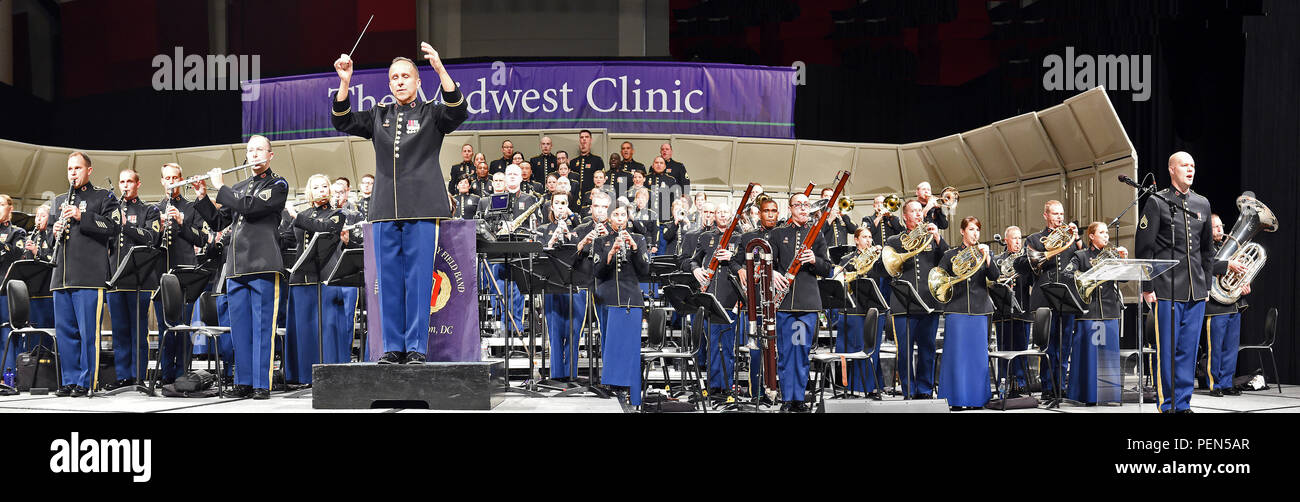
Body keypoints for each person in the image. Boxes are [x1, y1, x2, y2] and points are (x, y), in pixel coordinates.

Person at [332, 43, 468, 365]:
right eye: (394, 77)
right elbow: (343, 121)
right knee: (388, 283)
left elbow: (458, 111)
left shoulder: (431, 113)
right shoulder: (379, 115)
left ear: (418, 82)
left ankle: (417, 348)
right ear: (390, 83)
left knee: (419, 281)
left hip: (423, 209)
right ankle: (393, 347)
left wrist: (440, 70)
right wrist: (345, 82)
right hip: (383, 211)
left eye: (406, 76)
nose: (400, 81)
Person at [1136, 152, 1240, 413]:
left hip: (1195, 291)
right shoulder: (1157, 201)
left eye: (1193, 165)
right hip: (1166, 289)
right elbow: (1144, 248)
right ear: (1172, 169)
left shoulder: (1202, 203)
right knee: (1168, 352)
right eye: (1184, 165)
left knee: (1188, 352)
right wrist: (1147, 287)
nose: (1190, 169)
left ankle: (1183, 404)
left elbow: (1206, 252)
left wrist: (1205, 287)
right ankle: (1167, 405)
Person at [193, 136, 288, 399]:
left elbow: (252, 206)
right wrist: (203, 197)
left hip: (263, 265)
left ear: (270, 155)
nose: (255, 154)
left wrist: (221, 187)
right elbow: (218, 221)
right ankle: (243, 380)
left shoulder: (277, 184)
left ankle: (261, 383)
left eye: (260, 150)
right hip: (236, 267)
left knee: (261, 329)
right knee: (241, 329)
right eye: (250, 150)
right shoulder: (239, 186)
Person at [51, 152, 120, 397]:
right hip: (60, 277)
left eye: (77, 168)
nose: (73, 173)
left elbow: (113, 227)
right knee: (65, 334)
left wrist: (83, 217)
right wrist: (54, 230)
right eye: (69, 168)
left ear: (89, 170)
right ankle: (69, 380)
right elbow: (51, 242)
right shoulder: (58, 200)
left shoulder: (104, 196)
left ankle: (87, 381)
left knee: (88, 333)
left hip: (89, 277)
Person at [148, 163, 212, 387]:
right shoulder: (154, 209)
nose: (172, 182)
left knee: (183, 326)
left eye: (176, 178)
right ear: (162, 181)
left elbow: (201, 239)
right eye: (168, 178)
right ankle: (165, 375)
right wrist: (159, 227)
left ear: (181, 180)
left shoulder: (192, 207)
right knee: (165, 327)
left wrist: (182, 223)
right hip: (161, 276)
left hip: (185, 275)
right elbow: (149, 243)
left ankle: (182, 372)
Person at [769, 192, 833, 412]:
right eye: (799, 205)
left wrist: (815, 260)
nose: (804, 209)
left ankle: (799, 398)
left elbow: (827, 268)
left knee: (802, 351)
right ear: (790, 208)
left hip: (806, 304)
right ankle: (787, 398)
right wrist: (773, 273)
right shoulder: (778, 233)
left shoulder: (816, 235)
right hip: (785, 304)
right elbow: (766, 262)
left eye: (806, 205)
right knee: (787, 352)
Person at [284, 175, 346, 385]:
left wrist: (295, 216)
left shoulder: (337, 214)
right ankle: (302, 374)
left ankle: (330, 374)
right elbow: (286, 238)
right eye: (316, 187)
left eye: (324, 186)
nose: (321, 190)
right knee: (304, 328)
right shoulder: (301, 214)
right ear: (309, 192)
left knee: (326, 326)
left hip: (326, 277)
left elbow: (324, 227)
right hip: (301, 278)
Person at [1017, 200, 1080, 400]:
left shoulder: (1070, 237)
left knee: (1064, 345)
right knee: (1048, 346)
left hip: (1067, 297)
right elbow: (1024, 264)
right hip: (1044, 297)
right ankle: (1047, 386)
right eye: (1055, 214)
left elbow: (1082, 257)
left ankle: (1060, 385)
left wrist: (1077, 239)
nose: (1060, 217)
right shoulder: (1035, 239)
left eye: (1061, 214)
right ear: (1046, 215)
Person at [885, 200, 947, 399]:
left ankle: (925, 390)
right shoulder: (895, 240)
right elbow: (884, 267)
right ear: (905, 216)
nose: (919, 214)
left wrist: (938, 237)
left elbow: (948, 261)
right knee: (904, 351)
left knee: (927, 349)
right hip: (904, 303)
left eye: (920, 211)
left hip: (930, 301)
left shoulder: (932, 237)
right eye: (914, 211)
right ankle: (908, 390)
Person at [104, 169, 159, 389]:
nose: (125, 185)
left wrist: (126, 225)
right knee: (119, 331)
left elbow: (152, 238)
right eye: (122, 181)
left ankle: (138, 376)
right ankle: (122, 376)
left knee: (139, 331)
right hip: (115, 281)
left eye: (129, 181)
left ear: (138, 184)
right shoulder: (111, 211)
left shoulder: (149, 210)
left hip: (139, 281)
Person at [593, 202, 650, 405]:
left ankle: (630, 389)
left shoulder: (639, 239)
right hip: (607, 298)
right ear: (609, 219)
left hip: (631, 299)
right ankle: (613, 387)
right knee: (610, 345)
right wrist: (609, 255)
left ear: (627, 218)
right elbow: (596, 272)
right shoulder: (600, 241)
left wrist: (633, 248)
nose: (619, 218)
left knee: (630, 347)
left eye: (623, 215)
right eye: (615, 215)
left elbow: (645, 270)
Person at [934, 216, 995, 410]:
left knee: (977, 359)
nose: (975, 233)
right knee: (957, 357)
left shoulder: (984, 252)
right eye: (971, 229)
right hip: (956, 309)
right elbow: (939, 280)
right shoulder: (950, 254)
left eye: (977, 230)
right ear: (962, 232)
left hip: (979, 311)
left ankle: (977, 400)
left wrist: (988, 259)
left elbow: (995, 276)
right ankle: (956, 400)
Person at [1067, 221, 1128, 406]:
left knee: (1108, 356)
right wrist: (1088, 276)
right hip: (1089, 312)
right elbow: (1069, 274)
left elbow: (1124, 278)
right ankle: (1089, 395)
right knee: (1090, 357)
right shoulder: (1080, 255)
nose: (1106, 236)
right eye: (1102, 232)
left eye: (1107, 232)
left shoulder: (1112, 256)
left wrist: (1123, 260)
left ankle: (1109, 395)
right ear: (1091, 236)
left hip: (1110, 310)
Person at [689, 202, 743, 396]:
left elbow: (745, 265)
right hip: (710, 296)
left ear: (730, 216)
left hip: (730, 297)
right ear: (714, 215)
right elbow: (693, 259)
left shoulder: (739, 238)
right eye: (719, 212)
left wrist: (731, 257)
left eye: (725, 212)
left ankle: (727, 385)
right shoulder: (705, 237)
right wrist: (696, 270)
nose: (722, 215)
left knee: (727, 345)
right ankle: (713, 385)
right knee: (712, 343)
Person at [834, 228, 886, 399]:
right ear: (856, 240)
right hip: (853, 309)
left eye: (870, 237)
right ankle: (854, 387)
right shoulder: (846, 259)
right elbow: (839, 279)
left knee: (872, 350)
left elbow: (887, 274)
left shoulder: (879, 260)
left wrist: (880, 257)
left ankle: (872, 386)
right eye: (864, 237)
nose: (869, 240)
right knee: (855, 349)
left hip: (873, 308)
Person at [1204, 213, 1249, 397]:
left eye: (1221, 226)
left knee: (1231, 347)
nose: (1220, 229)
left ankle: (1227, 382)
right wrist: (1227, 264)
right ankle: (1215, 384)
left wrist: (1245, 282)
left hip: (1233, 303)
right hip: (1215, 306)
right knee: (1215, 347)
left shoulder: (1229, 247)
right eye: (1215, 227)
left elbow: (1241, 271)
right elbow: (1204, 266)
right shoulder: (1203, 248)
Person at [541, 193, 582, 381]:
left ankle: (571, 375)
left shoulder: (579, 229)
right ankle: (556, 376)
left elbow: (582, 254)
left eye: (563, 203)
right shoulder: (543, 229)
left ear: (568, 207)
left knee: (573, 332)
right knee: (555, 331)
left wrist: (567, 234)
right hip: (552, 286)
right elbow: (540, 257)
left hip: (574, 286)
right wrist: (552, 240)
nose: (559, 206)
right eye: (556, 203)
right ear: (551, 207)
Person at [990, 225, 1032, 394]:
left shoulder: (1025, 260)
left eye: (1019, 238)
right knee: (1004, 349)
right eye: (1014, 238)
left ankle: (1021, 384)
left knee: (1021, 351)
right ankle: (1004, 383)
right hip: (1002, 313)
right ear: (1006, 240)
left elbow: (1031, 281)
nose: (1017, 241)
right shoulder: (999, 260)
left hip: (1023, 312)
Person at [0, 194, 28, 373]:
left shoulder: (17, 232)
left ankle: (7, 374)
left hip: (5, 289)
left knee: (6, 332)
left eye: (1, 204)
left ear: (10, 209)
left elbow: (17, 254)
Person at [572, 130, 605, 208]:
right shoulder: (573, 162)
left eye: (586, 137)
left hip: (591, 195)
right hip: (576, 197)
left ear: (591, 140)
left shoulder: (597, 160)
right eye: (581, 137)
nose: (584, 139)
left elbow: (601, 180)